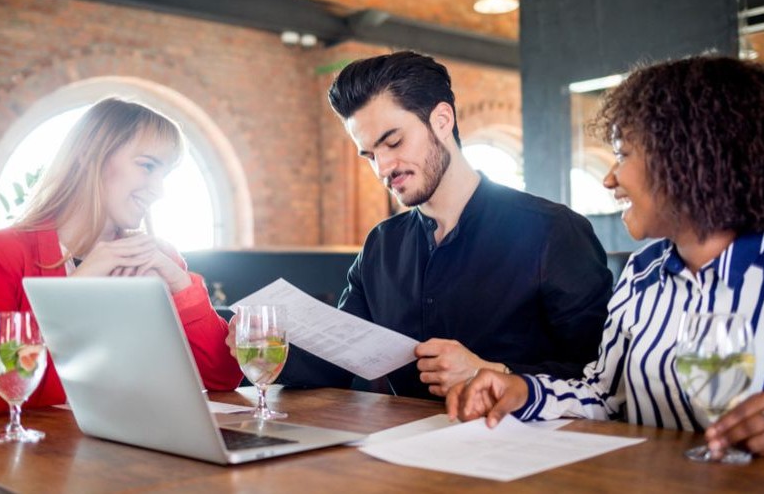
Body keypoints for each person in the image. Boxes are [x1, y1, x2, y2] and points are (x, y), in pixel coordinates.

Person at [446, 55, 764, 457]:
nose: (609, 178)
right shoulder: (641, 273)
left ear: (689, 156)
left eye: (622, 154)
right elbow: (605, 396)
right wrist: (523, 391)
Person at [228, 51, 613, 400]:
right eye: (370, 155)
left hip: (529, 452)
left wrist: (492, 372)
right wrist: (264, 346)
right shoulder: (381, 245)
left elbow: (604, 376)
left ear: (442, 120)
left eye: (393, 142)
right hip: (404, 455)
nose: (383, 168)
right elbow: (337, 362)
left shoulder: (553, 231)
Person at [0, 98, 243, 418]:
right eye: (147, 166)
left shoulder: (159, 258)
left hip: (133, 451)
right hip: (33, 456)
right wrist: (73, 291)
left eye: (165, 174)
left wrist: (181, 285)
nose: (159, 190)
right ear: (90, 157)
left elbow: (221, 378)